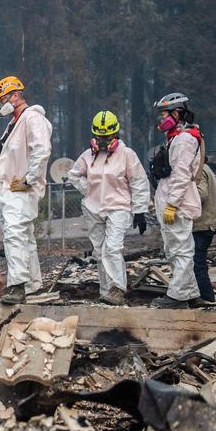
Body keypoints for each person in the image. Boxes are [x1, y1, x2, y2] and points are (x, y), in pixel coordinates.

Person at [65, 111, 150, 305]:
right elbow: (73, 174)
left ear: (115, 134)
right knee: (100, 251)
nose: (103, 141)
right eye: (99, 136)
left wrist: (140, 210)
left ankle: (117, 289)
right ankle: (105, 291)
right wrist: (87, 189)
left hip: (118, 207)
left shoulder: (127, 155)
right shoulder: (88, 156)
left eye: (106, 136)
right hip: (93, 208)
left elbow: (138, 182)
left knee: (112, 248)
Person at [0, 76, 53, 304]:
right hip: (11, 189)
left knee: (15, 236)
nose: (2, 105)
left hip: (21, 188)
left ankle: (17, 285)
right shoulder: (13, 123)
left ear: (15, 96)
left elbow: (41, 150)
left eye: (3, 99)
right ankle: (32, 285)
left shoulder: (32, 118)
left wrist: (29, 179)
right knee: (25, 237)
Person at [150, 92, 204, 308]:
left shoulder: (184, 140)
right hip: (173, 201)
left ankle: (177, 297)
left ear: (176, 113)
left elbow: (181, 175)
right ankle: (191, 293)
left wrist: (172, 205)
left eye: (164, 114)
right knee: (179, 249)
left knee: (179, 251)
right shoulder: (177, 138)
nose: (161, 119)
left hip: (177, 205)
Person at [193, 161, 216, 302]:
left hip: (203, 223)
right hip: (205, 223)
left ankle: (206, 299)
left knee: (197, 264)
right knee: (197, 263)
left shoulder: (197, 168)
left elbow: (201, 194)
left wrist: (177, 192)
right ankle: (203, 298)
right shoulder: (201, 166)